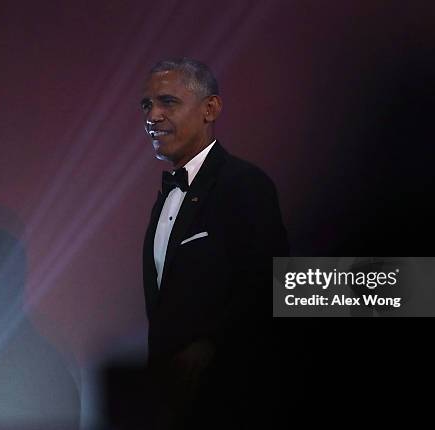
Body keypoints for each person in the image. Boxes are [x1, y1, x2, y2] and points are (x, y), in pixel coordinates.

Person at [141, 57, 289, 429]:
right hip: (172, 406)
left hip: (231, 401)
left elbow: (270, 287)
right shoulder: (166, 197)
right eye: (148, 105)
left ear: (210, 108)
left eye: (167, 102)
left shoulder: (243, 184)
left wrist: (209, 348)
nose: (152, 116)